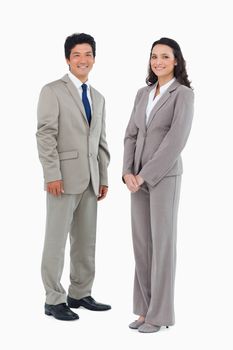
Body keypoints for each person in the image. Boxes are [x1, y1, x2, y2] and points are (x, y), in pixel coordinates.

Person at [36, 33, 111, 321]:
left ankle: (80, 292)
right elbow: (46, 135)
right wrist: (51, 173)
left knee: (85, 240)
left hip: (91, 180)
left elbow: (101, 141)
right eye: (77, 54)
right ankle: (53, 299)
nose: (83, 59)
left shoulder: (98, 96)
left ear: (94, 58)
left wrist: (102, 176)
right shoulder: (53, 90)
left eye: (88, 54)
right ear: (68, 58)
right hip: (62, 180)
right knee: (55, 239)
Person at [122, 37, 194, 333]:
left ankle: (160, 315)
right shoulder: (143, 93)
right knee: (142, 244)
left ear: (176, 60)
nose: (158, 61)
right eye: (154, 56)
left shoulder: (183, 94)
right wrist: (128, 172)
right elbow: (130, 134)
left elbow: (176, 140)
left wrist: (145, 174)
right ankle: (144, 310)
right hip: (135, 180)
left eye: (165, 56)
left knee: (162, 244)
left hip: (164, 178)